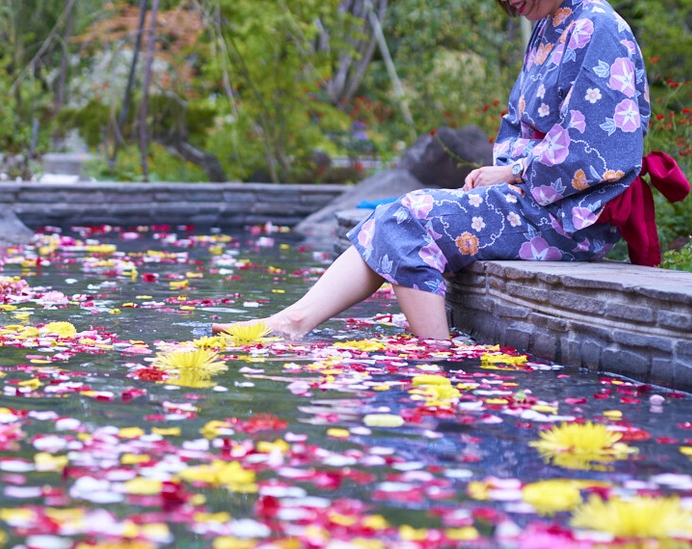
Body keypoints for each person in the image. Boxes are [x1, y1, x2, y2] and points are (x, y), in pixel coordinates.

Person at [213, 0, 650, 341]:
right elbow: (518, 127)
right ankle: (292, 321)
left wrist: (515, 172)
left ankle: (437, 363)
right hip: (536, 197)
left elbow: (602, 146)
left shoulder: (599, 27)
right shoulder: (549, 26)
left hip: (574, 214)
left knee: (410, 218)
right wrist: (504, 171)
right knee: (388, 217)